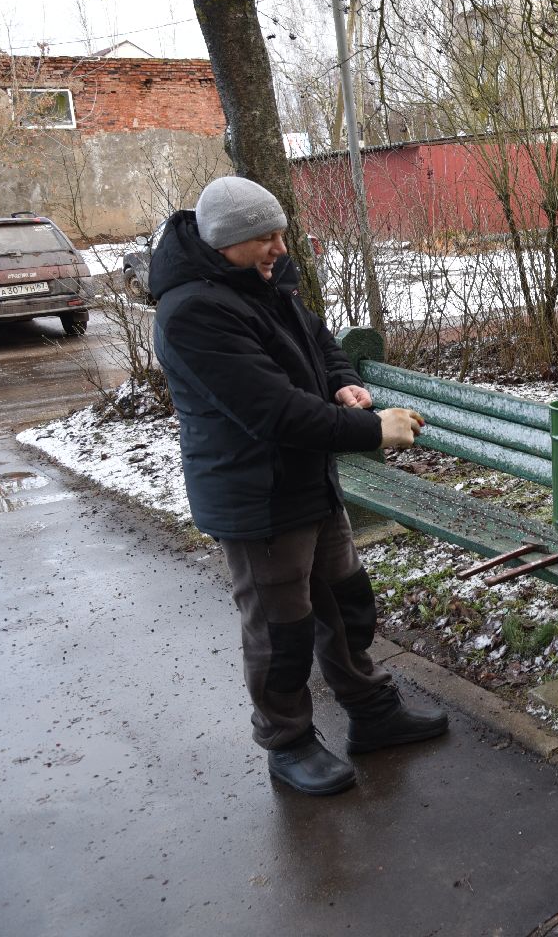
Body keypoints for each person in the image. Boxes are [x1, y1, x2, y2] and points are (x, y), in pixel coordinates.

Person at [152, 175, 447, 796]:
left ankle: (372, 713)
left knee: (344, 600)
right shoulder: (193, 312)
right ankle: (287, 743)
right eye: (265, 237)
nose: (279, 248)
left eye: (280, 233)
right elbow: (274, 412)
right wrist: (370, 429)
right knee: (280, 631)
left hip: (309, 480)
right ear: (225, 241)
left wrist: (342, 381)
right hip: (256, 498)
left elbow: (317, 341)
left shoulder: (259, 282)